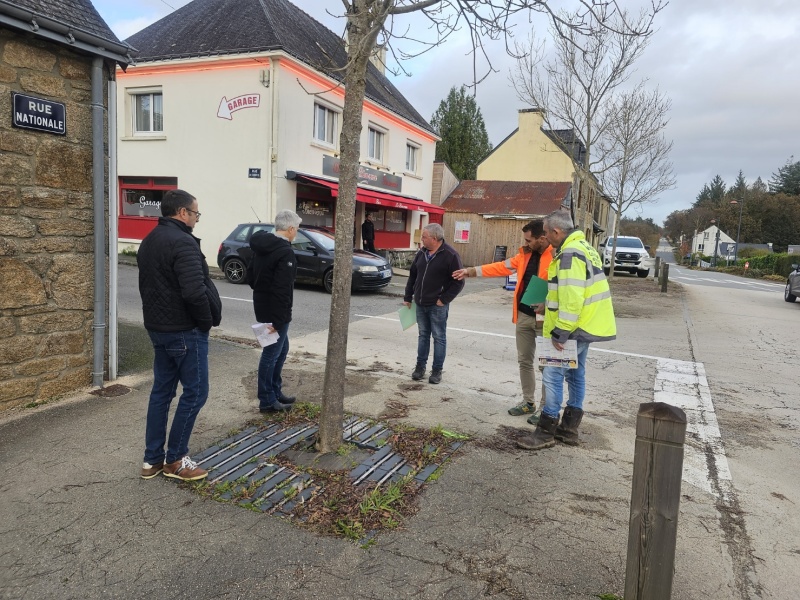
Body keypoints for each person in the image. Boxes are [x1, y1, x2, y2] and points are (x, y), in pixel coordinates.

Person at [137, 189, 222, 481]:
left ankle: (151, 460)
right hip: (184, 331)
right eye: (196, 213)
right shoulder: (183, 242)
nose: (197, 219)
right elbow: (194, 291)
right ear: (183, 213)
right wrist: (205, 323)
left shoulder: (149, 240)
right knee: (196, 392)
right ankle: (175, 459)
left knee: (161, 392)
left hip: (158, 329)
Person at [517, 209, 616, 450]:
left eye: (548, 234)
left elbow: (573, 298)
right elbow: (572, 291)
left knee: (552, 375)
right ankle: (569, 429)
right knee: (576, 374)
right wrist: (547, 304)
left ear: (556, 231)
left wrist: (561, 330)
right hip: (586, 325)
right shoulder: (585, 248)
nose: (546, 239)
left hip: (572, 328)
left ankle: (546, 430)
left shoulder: (569, 254)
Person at [452, 219, 553, 422]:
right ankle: (528, 402)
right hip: (525, 315)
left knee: (547, 366)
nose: (525, 243)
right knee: (524, 361)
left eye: (529, 240)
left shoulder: (557, 256)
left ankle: (546, 409)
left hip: (547, 318)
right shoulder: (524, 255)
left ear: (542, 238)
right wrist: (471, 271)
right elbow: (501, 267)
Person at [249, 210, 302, 412]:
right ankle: (267, 401)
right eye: (296, 229)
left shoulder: (260, 247)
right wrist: (279, 322)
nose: (296, 233)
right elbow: (283, 289)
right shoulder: (284, 251)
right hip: (276, 313)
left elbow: (250, 277)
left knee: (280, 350)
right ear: (290, 229)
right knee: (271, 354)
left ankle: (274, 391)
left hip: (262, 307)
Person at [404, 223, 465, 384]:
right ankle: (419, 367)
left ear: (435, 238)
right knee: (423, 336)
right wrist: (408, 297)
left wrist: (443, 299)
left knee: (439, 338)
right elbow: (412, 276)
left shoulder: (450, 255)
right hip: (420, 303)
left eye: (424, 237)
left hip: (437, 305)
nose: (421, 239)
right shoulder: (422, 253)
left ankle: (437, 371)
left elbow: (459, 282)